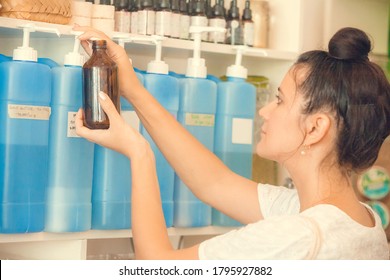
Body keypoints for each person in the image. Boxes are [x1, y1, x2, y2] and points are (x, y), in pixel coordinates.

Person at [74, 26, 390, 259]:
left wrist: (138, 152)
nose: (264, 111)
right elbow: (214, 183)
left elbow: (158, 266)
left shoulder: (296, 236)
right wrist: (134, 89)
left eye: (279, 101)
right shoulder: (360, 219)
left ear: (315, 127)